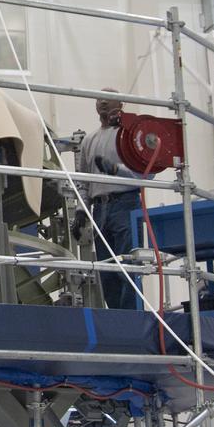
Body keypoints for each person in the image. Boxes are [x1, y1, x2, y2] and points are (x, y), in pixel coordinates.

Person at [77, 91, 144, 310]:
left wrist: (116, 170)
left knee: (129, 265)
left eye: (108, 97)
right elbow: (83, 182)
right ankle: (117, 319)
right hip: (100, 208)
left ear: (121, 103)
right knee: (107, 271)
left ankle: (132, 319)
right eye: (98, 98)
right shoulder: (89, 140)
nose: (103, 101)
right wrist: (81, 211)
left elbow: (147, 172)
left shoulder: (130, 134)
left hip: (125, 203)